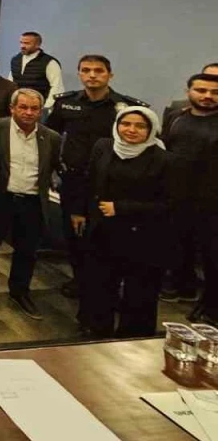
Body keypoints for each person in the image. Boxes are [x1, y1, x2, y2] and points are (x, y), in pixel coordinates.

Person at [45, 55, 147, 309]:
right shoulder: (66, 104)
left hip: (111, 183)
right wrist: (53, 170)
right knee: (74, 235)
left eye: (99, 71)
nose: (92, 75)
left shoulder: (126, 107)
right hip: (74, 180)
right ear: (79, 73)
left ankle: (107, 287)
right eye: (86, 70)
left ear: (110, 75)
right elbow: (50, 136)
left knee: (107, 237)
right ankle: (80, 280)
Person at [82, 107, 178, 338]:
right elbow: (90, 182)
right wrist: (83, 212)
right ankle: (97, 333)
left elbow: (171, 205)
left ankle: (133, 340)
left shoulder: (165, 160)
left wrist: (121, 208)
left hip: (144, 237)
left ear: (152, 130)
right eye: (125, 124)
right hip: (104, 232)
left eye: (140, 126)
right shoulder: (103, 147)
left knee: (140, 292)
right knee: (101, 286)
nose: (131, 130)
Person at [0, 89, 61, 319]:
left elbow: (53, 167)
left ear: (40, 112)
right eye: (23, 107)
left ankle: (20, 292)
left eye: (34, 108)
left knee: (27, 250)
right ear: (12, 108)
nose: (28, 112)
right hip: (0, 197)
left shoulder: (51, 137)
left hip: (32, 200)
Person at [160, 73, 218, 323]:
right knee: (178, 248)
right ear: (188, 91)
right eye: (201, 90)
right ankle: (184, 288)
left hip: (212, 203)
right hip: (176, 198)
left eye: (214, 92)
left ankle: (212, 307)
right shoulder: (175, 117)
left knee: (212, 257)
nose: (207, 96)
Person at [10, 31, 64, 110]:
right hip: (19, 107)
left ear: (37, 45)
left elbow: (57, 87)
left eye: (27, 43)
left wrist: (46, 108)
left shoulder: (50, 62)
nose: (22, 46)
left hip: (39, 107)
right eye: (21, 42)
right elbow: (10, 83)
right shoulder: (15, 60)